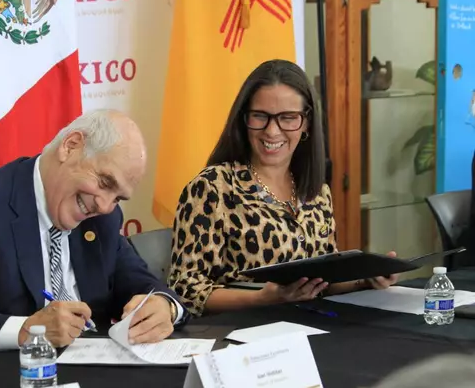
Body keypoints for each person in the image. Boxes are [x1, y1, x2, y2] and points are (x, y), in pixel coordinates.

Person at [0, 109, 188, 366]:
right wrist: (27, 330)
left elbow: (141, 282)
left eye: (118, 197)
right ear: (71, 146)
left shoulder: (104, 219)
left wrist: (164, 306)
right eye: (104, 183)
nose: (104, 205)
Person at [167, 59, 399, 317]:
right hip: (243, 338)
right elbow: (184, 290)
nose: (272, 131)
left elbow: (323, 282)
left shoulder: (317, 190)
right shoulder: (212, 188)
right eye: (260, 116)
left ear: (307, 123)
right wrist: (261, 300)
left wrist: (364, 279)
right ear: (244, 119)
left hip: (313, 329)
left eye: (288, 118)